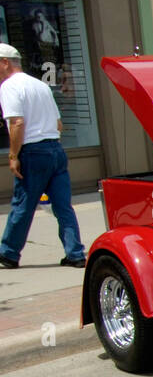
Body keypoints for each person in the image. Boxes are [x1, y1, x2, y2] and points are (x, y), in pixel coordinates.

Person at [0, 43, 86, 268]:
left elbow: (16, 123)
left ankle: (8, 253)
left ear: (5, 62)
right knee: (63, 206)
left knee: (23, 204)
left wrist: (13, 155)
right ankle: (75, 253)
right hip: (55, 150)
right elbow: (59, 124)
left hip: (33, 151)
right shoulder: (40, 85)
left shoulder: (9, 87)